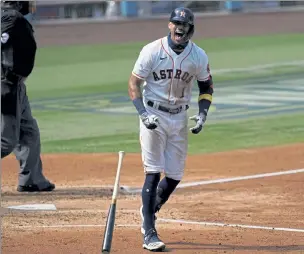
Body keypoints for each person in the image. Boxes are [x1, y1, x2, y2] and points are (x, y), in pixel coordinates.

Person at [128, 7, 214, 251]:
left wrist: (203, 114)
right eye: (176, 23)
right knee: (153, 171)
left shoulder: (198, 56)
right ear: (169, 25)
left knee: (175, 175)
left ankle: (149, 208)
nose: (180, 27)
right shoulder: (152, 50)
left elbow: (206, 86)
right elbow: (133, 82)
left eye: (184, 24)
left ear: (191, 29)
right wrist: (143, 114)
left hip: (179, 118)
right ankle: (149, 231)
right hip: (153, 115)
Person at [1, 1, 55, 192]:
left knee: (28, 131)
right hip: (5, 85)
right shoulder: (9, 18)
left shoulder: (12, 18)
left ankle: (31, 179)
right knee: (6, 142)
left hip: (15, 85)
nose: (30, 4)